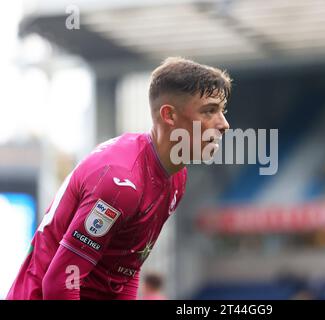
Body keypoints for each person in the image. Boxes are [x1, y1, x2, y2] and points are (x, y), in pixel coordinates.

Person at [7, 57, 231, 300]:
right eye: (209, 111)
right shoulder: (121, 182)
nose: (224, 124)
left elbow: (125, 271)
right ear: (169, 115)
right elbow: (60, 283)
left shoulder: (176, 177)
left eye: (222, 111)